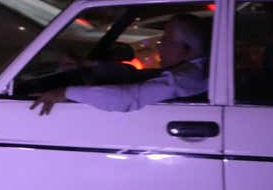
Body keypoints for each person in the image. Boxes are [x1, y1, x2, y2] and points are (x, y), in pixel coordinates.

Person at [30, 13, 209, 114]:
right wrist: (88, 65)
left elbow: (127, 98)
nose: (159, 46)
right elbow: (138, 75)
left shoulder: (184, 79)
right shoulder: (190, 71)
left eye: (166, 41)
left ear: (186, 49)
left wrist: (65, 92)